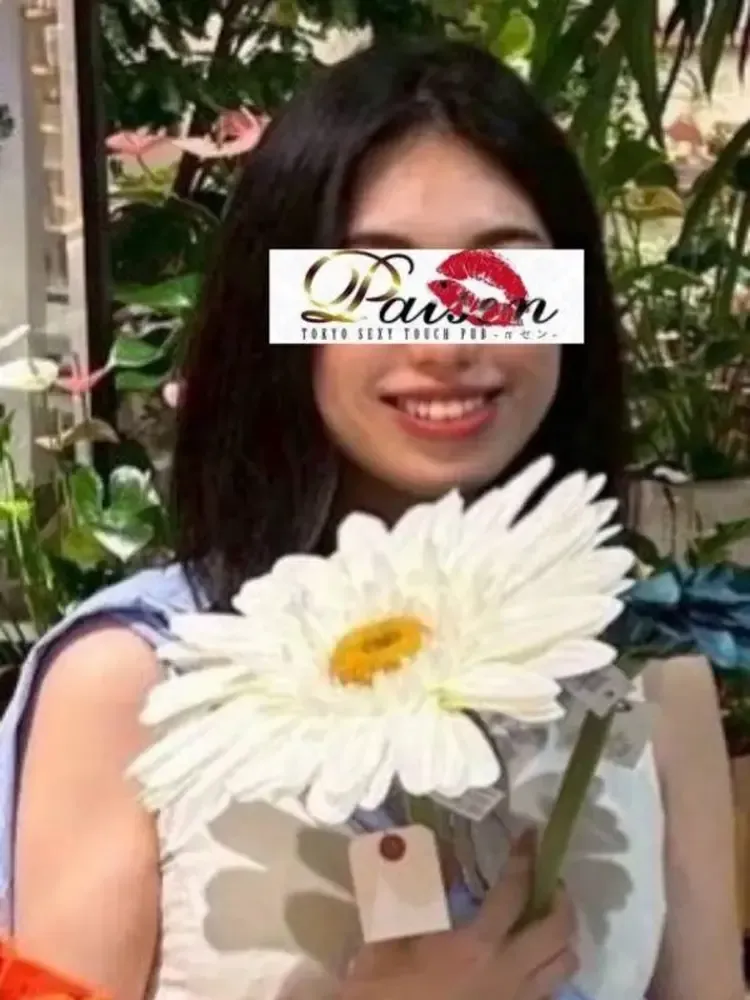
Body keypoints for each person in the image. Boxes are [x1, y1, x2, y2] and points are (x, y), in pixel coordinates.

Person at [0, 36, 744, 1000]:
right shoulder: (135, 682)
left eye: (500, 279)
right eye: (367, 283)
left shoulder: (649, 678)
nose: (443, 338)